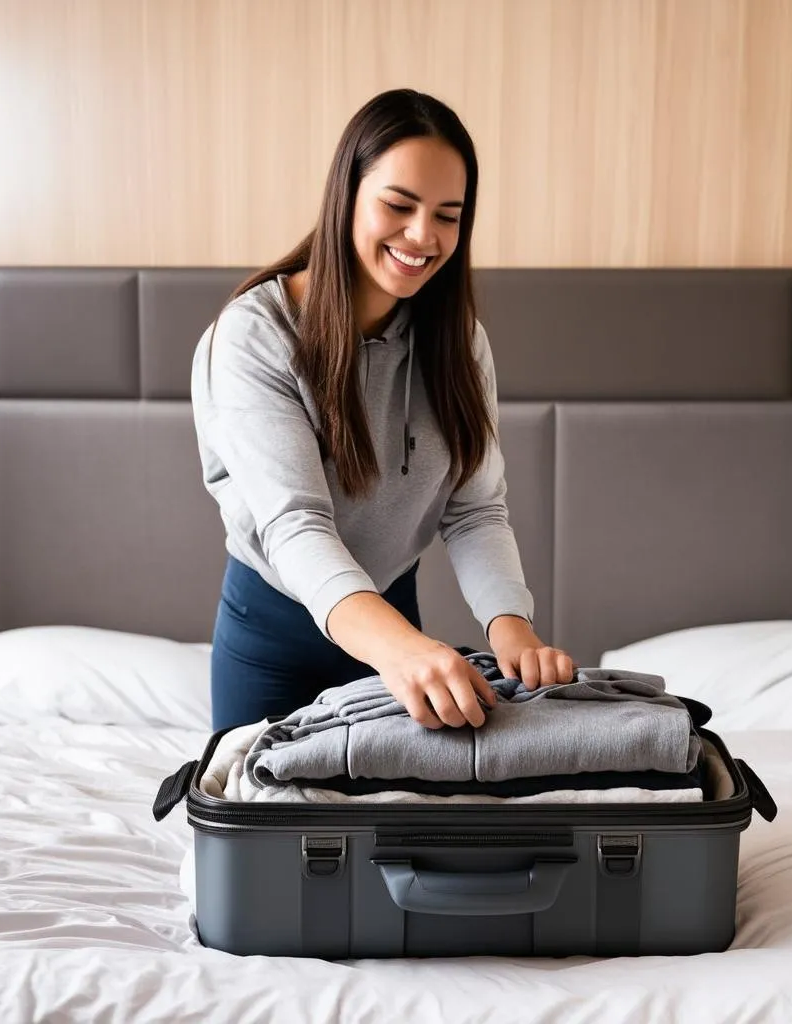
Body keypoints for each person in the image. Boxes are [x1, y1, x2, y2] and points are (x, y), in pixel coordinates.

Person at [191, 88, 575, 733]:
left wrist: (513, 629)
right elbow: (295, 525)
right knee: (262, 823)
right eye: (399, 205)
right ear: (347, 195)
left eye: (448, 216)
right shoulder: (256, 335)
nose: (423, 236)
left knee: (396, 827)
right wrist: (402, 652)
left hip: (394, 617)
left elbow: (475, 507)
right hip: (274, 633)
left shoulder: (459, 342)